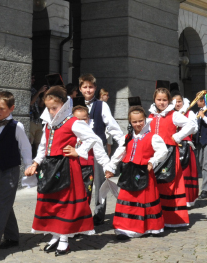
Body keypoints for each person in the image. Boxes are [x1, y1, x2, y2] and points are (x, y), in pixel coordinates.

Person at [24, 86, 102, 256]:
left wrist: (78, 152)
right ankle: (55, 235)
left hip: (67, 167)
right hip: (50, 167)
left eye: (55, 108)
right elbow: (43, 147)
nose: (52, 111)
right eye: (49, 108)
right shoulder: (48, 125)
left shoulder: (73, 122)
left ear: (64, 105)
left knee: (64, 203)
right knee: (52, 203)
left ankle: (64, 239)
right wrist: (35, 164)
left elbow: (93, 138)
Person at [106, 97, 168, 239]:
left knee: (145, 200)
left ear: (145, 119)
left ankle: (151, 227)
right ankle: (124, 229)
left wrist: (153, 161)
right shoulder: (127, 137)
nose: (138, 124)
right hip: (129, 172)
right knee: (127, 200)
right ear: (130, 122)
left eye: (140, 120)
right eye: (134, 122)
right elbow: (119, 153)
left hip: (145, 172)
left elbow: (163, 151)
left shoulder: (153, 137)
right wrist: (111, 167)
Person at [0, 92, 32, 255]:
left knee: (2, 205)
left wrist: (29, 165)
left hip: (11, 170)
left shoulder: (16, 126)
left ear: (11, 108)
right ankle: (12, 237)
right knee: (3, 204)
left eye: (2, 109)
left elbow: (25, 147)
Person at [148, 80, 196, 227]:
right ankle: (155, 217)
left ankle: (171, 218)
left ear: (169, 101)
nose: (161, 103)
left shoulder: (173, 115)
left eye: (164, 100)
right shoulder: (150, 116)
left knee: (169, 183)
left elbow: (191, 124)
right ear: (154, 100)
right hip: (154, 154)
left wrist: (177, 137)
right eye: (159, 100)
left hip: (169, 153)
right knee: (154, 184)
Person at [79, 74, 124, 226]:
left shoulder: (101, 105)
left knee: (100, 182)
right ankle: (82, 213)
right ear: (80, 89)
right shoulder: (73, 104)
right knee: (81, 182)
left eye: (90, 87)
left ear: (95, 88)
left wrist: (122, 141)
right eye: (85, 87)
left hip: (98, 148)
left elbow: (111, 125)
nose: (88, 90)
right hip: (80, 149)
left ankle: (98, 213)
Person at [72, 105, 113, 205]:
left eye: (84, 119)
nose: (81, 122)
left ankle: (84, 216)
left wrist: (108, 167)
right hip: (72, 167)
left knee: (86, 193)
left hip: (87, 168)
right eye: (78, 119)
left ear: (88, 119)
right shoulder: (70, 132)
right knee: (72, 194)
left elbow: (101, 154)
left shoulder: (92, 133)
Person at [170, 83, 199, 207]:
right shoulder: (170, 114)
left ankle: (187, 200)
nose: (177, 104)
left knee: (186, 173)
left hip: (186, 146)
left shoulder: (189, 113)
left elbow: (195, 128)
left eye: (179, 101)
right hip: (172, 146)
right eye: (175, 102)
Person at [30, 75, 48, 158]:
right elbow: (31, 102)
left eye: (34, 78)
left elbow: (40, 105)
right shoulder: (28, 90)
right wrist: (39, 92)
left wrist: (44, 94)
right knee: (30, 142)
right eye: (32, 78)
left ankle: (38, 163)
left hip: (38, 120)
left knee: (39, 143)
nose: (34, 80)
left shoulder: (34, 90)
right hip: (31, 119)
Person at [99, 89, 112, 156]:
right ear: (102, 95)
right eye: (107, 95)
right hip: (105, 130)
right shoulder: (103, 104)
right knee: (108, 148)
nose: (108, 97)